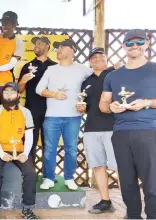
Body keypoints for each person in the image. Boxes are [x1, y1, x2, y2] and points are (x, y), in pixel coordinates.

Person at [99, 29, 156, 219]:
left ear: (147, 44)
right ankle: (132, 216)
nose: (134, 46)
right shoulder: (113, 76)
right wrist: (111, 106)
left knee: (152, 180)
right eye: (129, 43)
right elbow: (103, 104)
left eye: (139, 42)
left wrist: (147, 102)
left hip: (149, 131)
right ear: (123, 46)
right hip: (121, 132)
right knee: (127, 180)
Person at [36, 39, 92, 190]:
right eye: (57, 47)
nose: (58, 50)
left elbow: (97, 79)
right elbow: (39, 89)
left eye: (62, 47)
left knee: (72, 149)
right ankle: (48, 178)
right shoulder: (51, 69)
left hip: (74, 117)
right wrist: (54, 94)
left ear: (72, 51)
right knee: (49, 149)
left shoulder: (83, 69)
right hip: (52, 116)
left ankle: (69, 178)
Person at [0, 82, 37, 219]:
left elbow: (29, 136)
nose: (9, 94)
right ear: (2, 95)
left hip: (20, 150)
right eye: (6, 92)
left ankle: (27, 209)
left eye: (12, 91)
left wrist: (25, 154)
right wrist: (2, 153)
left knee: (31, 174)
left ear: (18, 94)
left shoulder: (26, 112)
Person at [76, 48, 117, 214]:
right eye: (93, 57)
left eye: (101, 56)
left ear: (107, 58)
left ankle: (131, 206)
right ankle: (105, 201)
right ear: (90, 62)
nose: (97, 59)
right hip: (91, 128)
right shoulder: (86, 81)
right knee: (98, 166)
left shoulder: (115, 74)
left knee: (120, 167)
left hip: (114, 127)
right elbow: (86, 105)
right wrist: (81, 108)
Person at [17, 36, 57, 164]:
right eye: (35, 44)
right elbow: (19, 90)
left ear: (47, 46)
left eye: (39, 43)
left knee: (49, 143)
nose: (35, 46)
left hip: (51, 110)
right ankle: (30, 173)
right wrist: (23, 81)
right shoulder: (27, 66)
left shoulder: (55, 67)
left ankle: (48, 175)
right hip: (32, 110)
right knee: (30, 142)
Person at [0, 11, 24, 110]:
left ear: (14, 25)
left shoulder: (19, 42)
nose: (4, 26)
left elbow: (11, 64)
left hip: (7, 84)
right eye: (3, 23)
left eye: (8, 23)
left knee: (6, 111)